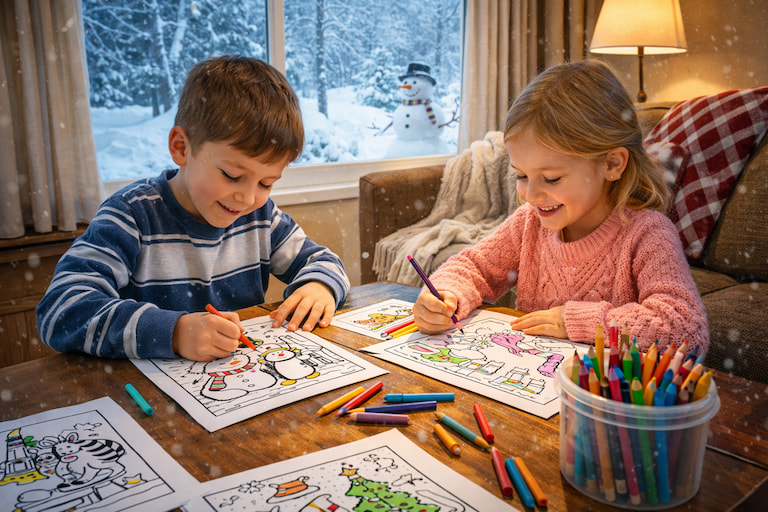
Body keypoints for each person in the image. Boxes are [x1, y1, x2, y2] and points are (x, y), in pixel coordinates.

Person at [37, 55, 350, 362]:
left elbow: (323, 260)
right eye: (232, 176)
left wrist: (319, 285)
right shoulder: (131, 216)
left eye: (266, 183)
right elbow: (61, 311)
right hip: (149, 399)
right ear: (181, 148)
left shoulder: (260, 216)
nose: (247, 198)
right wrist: (173, 332)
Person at [413, 60, 708, 354]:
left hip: (602, 396)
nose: (531, 194)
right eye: (522, 175)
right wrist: (445, 295)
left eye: (551, 178)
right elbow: (474, 267)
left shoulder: (648, 234)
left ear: (612, 164)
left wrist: (584, 322)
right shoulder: (529, 224)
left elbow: (686, 329)